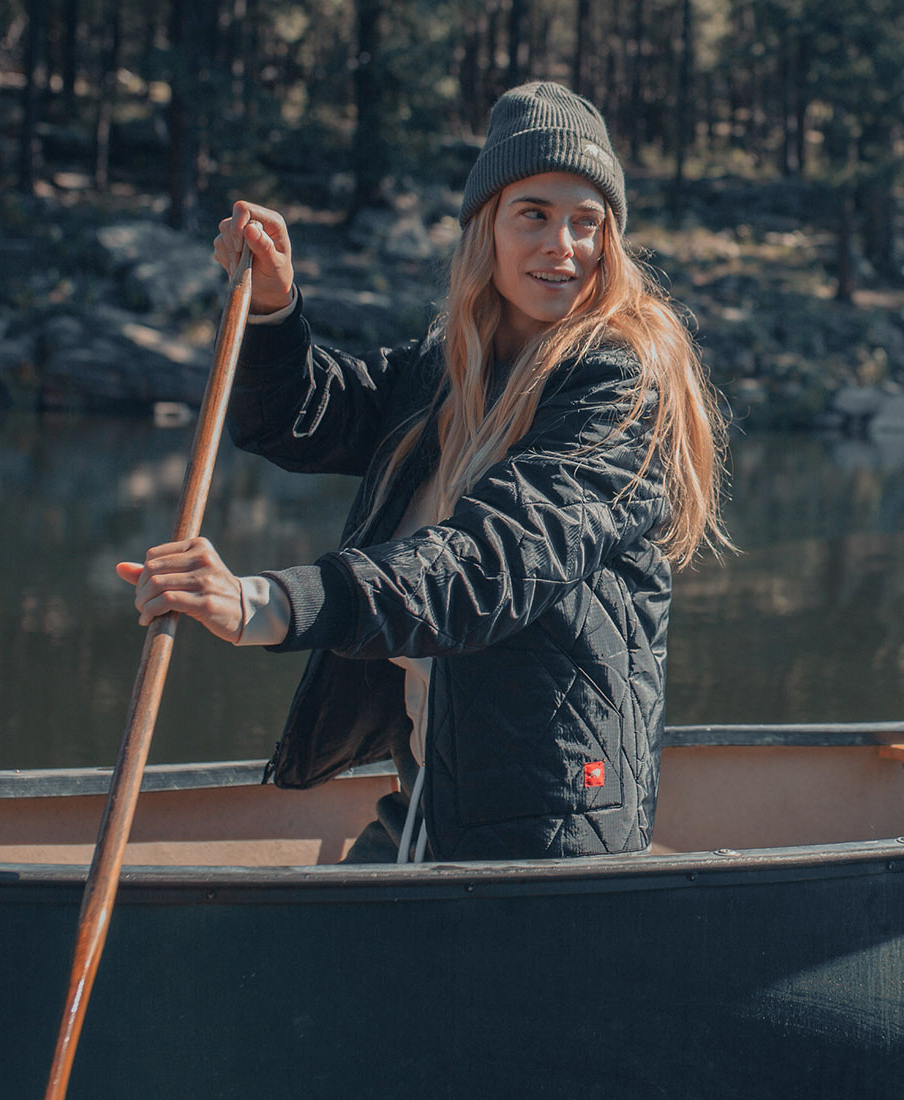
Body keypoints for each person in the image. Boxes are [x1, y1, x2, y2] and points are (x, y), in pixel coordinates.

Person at [116, 81, 729, 863]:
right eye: (534, 214)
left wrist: (265, 602)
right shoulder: (450, 367)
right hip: (435, 791)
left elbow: (490, 562)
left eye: (587, 223)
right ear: (486, 228)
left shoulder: (618, 380)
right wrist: (271, 308)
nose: (562, 245)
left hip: (550, 817)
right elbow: (300, 416)